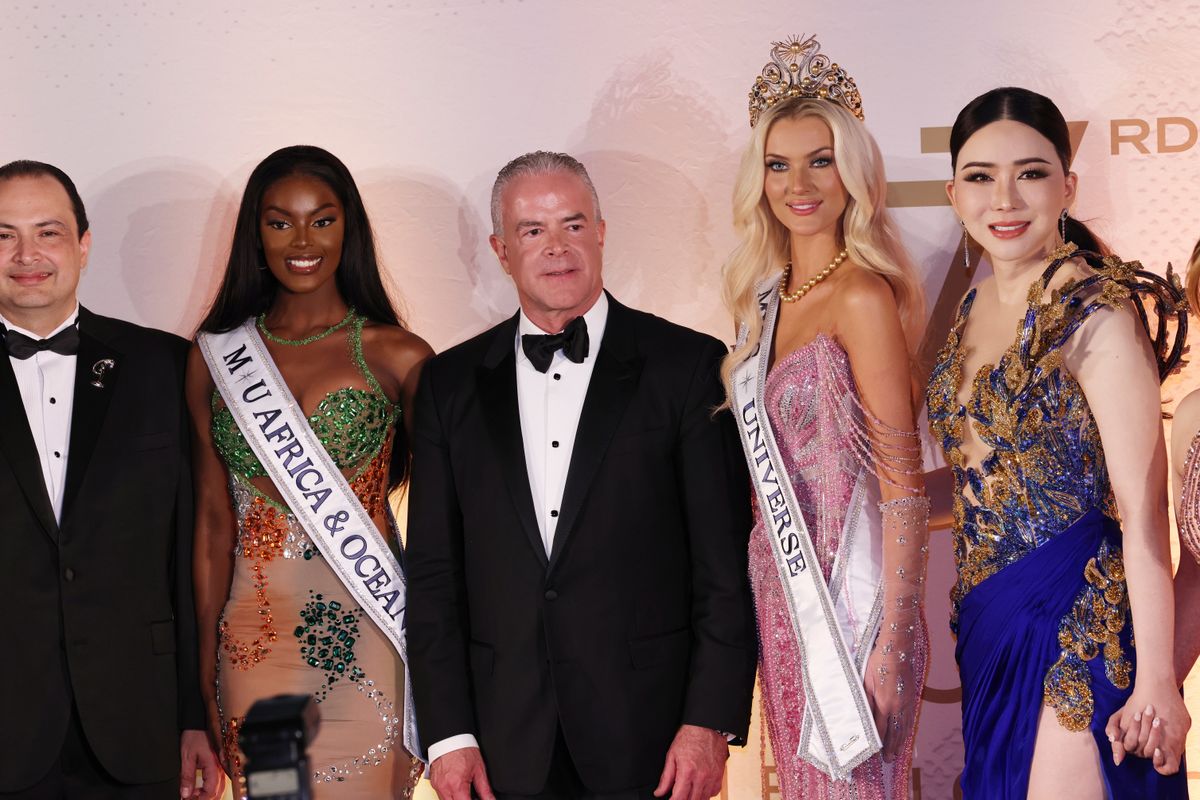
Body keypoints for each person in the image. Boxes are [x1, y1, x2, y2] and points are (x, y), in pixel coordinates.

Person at [405, 150, 757, 800]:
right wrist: (448, 734)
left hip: (652, 738)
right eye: (532, 230)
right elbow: (432, 576)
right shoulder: (448, 386)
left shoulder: (687, 366)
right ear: (501, 249)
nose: (557, 247)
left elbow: (723, 567)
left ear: (600, 230)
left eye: (573, 224)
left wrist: (710, 719)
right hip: (503, 736)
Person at [925, 86, 1190, 798]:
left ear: (1067, 186)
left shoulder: (1096, 311)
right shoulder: (977, 300)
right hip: (987, 626)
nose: (1004, 198)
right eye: (980, 177)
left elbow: (1144, 513)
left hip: (1075, 627)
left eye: (1031, 173)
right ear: (954, 193)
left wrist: (1160, 682)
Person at [720, 36, 930, 800]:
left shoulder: (863, 297)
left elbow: (905, 488)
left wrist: (890, 644)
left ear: (853, 172)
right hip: (782, 602)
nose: (798, 183)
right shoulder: (765, 301)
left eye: (820, 159)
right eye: (778, 164)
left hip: (855, 606)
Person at [187, 145, 431, 799]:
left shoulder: (400, 356)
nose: (302, 241)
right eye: (279, 221)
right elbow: (213, 526)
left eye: (321, 220)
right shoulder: (216, 357)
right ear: (255, 233)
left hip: (369, 642)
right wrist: (200, 673)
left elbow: (447, 530)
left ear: (348, 228)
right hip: (249, 651)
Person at [0, 160, 221, 798]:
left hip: (139, 722)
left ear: (83, 244)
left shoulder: (164, 365)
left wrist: (193, 713)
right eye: (5, 235)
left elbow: (187, 553)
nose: (26, 255)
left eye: (47, 232)